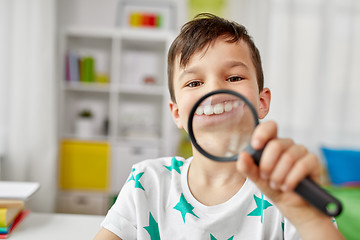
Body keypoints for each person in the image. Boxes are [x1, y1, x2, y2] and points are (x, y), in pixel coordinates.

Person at [94, 13, 344, 239]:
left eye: (234, 77)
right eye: (194, 83)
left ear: (262, 101)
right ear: (178, 113)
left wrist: (311, 221)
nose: (214, 90)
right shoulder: (147, 183)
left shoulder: (287, 193)